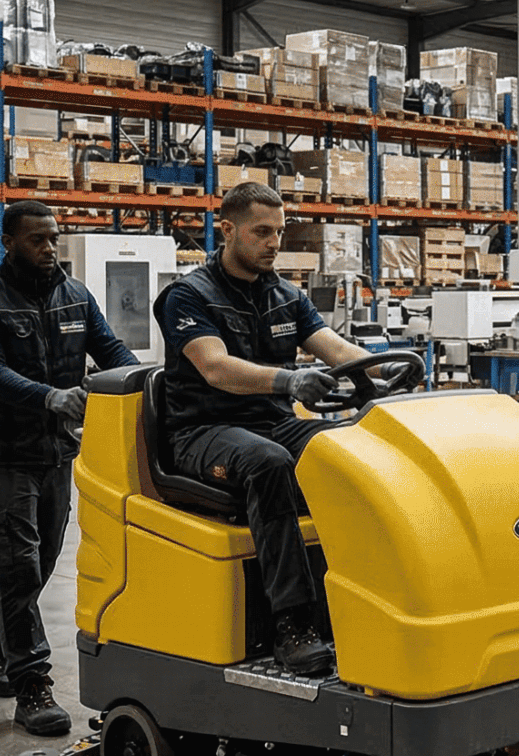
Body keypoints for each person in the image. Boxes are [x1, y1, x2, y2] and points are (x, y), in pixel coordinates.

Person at [155, 182, 377, 676]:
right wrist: (289, 380)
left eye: (278, 232)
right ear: (228, 230)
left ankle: (364, 599)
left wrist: (390, 370)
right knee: (268, 463)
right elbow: (215, 368)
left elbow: (337, 350)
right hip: (204, 430)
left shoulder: (285, 296)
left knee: (347, 450)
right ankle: (292, 624)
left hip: (273, 423)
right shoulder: (188, 296)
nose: (274, 242)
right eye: (261, 232)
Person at [0, 199, 137, 736]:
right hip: (3, 454)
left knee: (44, 560)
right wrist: (49, 397)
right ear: (8, 242)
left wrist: (147, 382)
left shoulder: (75, 295)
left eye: (54, 238)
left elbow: (110, 349)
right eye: (37, 240)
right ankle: (32, 684)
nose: (49, 248)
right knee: (18, 566)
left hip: (57, 451)